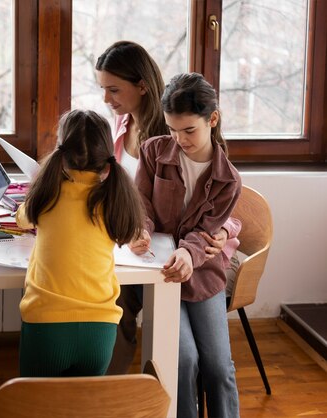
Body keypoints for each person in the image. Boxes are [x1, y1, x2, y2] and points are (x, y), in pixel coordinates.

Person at [95, 40, 242, 374]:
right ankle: (101, 389)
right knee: (95, 287)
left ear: (142, 86)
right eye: (103, 89)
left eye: (114, 89)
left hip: (185, 255)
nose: (107, 99)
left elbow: (224, 209)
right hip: (142, 243)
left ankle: (111, 391)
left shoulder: (174, 135)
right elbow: (132, 195)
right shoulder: (125, 127)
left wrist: (223, 229)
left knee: (111, 296)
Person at [134, 72, 241, 418]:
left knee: (219, 368)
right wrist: (142, 230)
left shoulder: (228, 180)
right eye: (172, 130)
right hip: (161, 273)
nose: (179, 139)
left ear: (212, 119)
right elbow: (142, 205)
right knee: (184, 359)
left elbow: (208, 232)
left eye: (189, 130)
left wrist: (188, 253)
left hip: (203, 275)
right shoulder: (153, 152)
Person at [15, 109, 144, 377]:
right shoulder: (115, 199)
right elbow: (130, 233)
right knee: (82, 406)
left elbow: (22, 220)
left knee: (36, 405)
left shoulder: (47, 194)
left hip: (46, 327)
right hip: (100, 331)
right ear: (107, 162)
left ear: (62, 157)